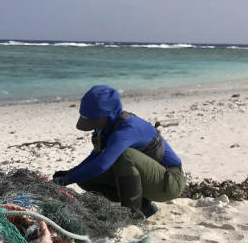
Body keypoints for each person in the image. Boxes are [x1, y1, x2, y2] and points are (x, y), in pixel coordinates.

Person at [52, 85, 185, 218]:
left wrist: (67, 180)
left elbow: (101, 164)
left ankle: (132, 214)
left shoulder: (126, 130)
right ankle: (145, 207)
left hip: (170, 182)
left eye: (93, 120)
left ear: (107, 116)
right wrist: (70, 173)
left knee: (125, 156)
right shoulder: (107, 126)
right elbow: (95, 157)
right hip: (151, 179)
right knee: (85, 177)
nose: (91, 125)